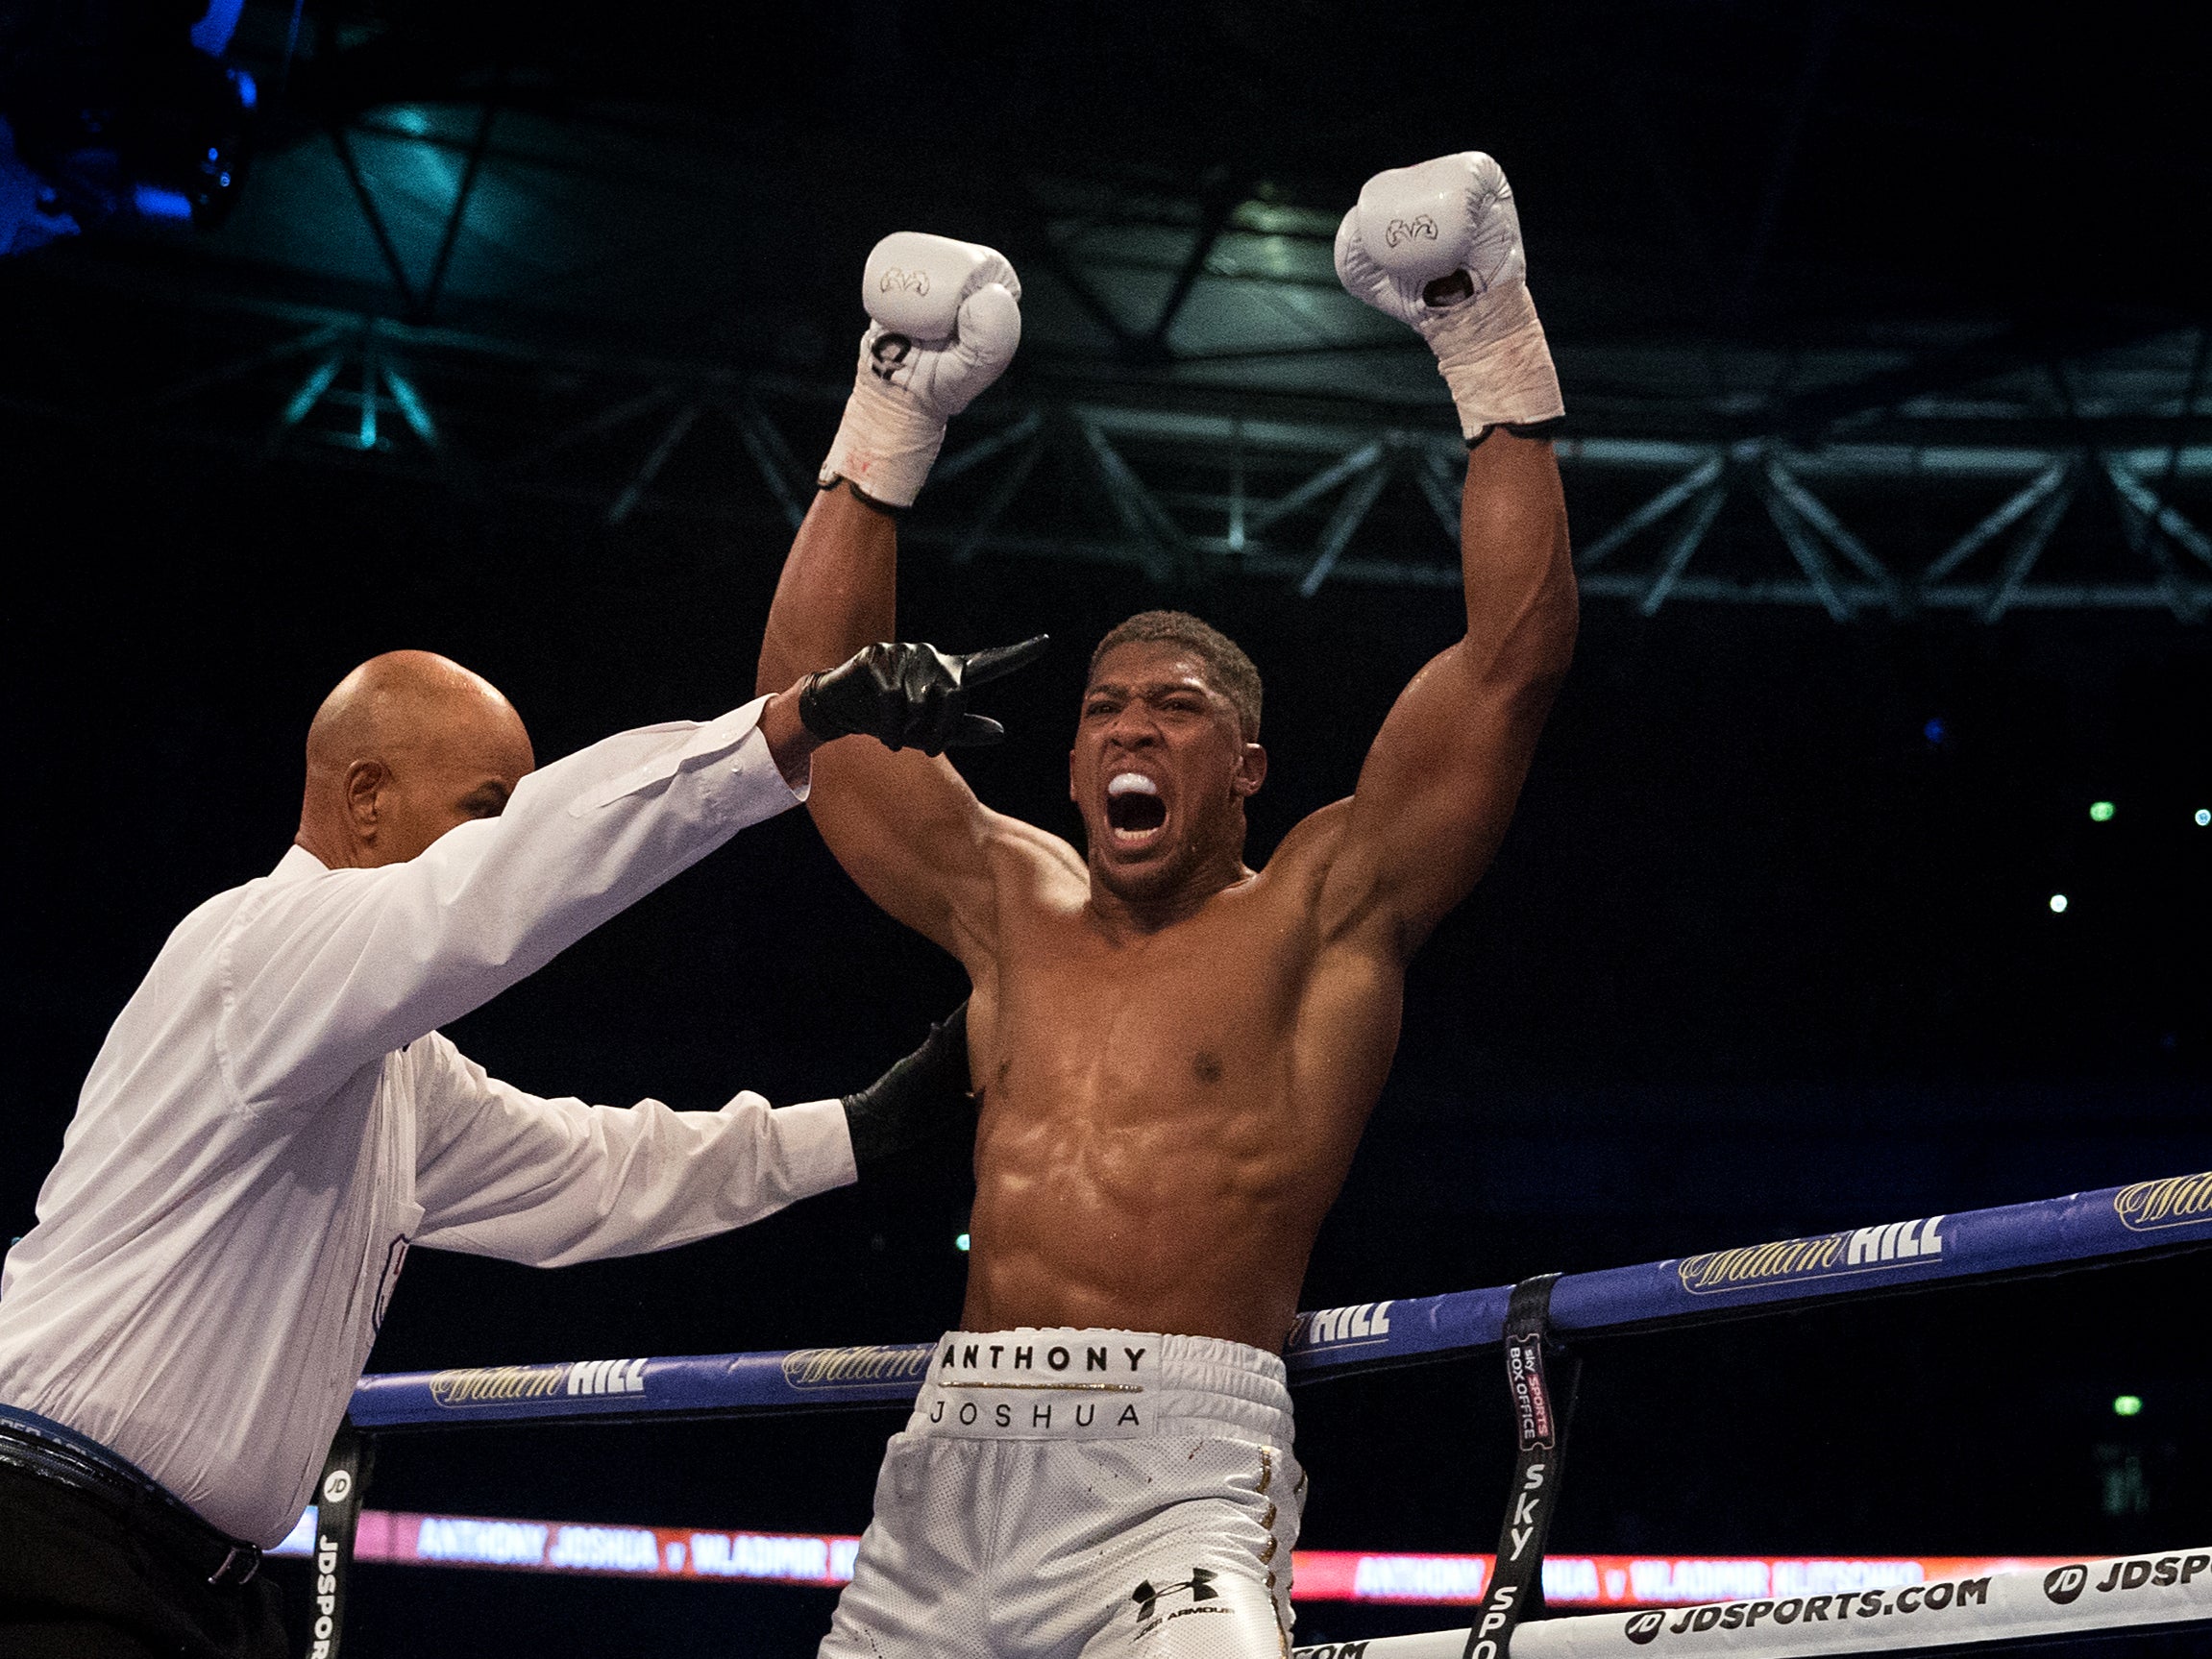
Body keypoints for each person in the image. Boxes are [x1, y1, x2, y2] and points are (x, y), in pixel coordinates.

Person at [757, 152, 1577, 1658]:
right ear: (1067, 759)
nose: (1132, 727)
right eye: (1105, 708)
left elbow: (1506, 670)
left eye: (1178, 708)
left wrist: (1483, 338)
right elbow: (802, 720)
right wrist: (889, 417)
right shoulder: (1007, 901)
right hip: (946, 1471)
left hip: (1175, 1472)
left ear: (1249, 763)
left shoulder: (1320, 913)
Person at [0, 637, 1041, 1658]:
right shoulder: (257, 950)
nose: (502, 844)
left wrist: (869, 1124)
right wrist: (792, 720)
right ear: (365, 799)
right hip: (49, 1537)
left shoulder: (396, 1073)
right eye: (486, 811)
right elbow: (516, 878)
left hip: (194, 1587)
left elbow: (599, 1169)